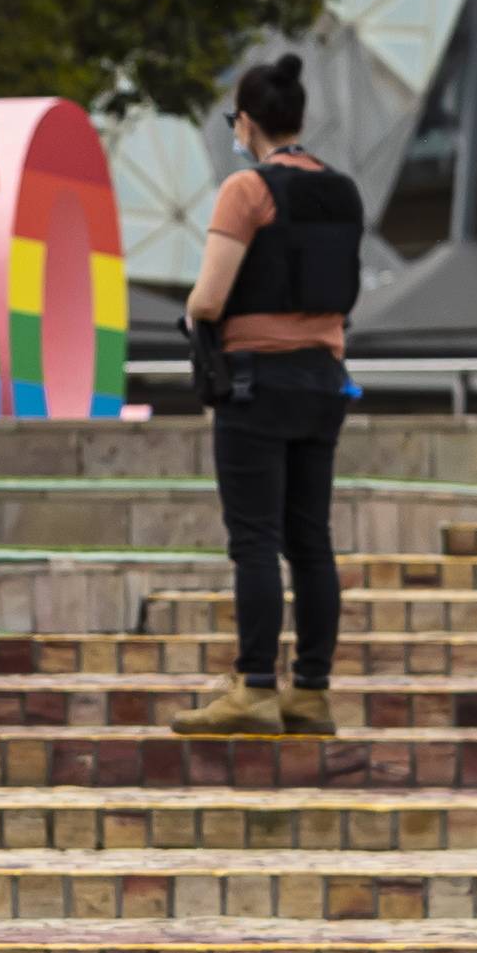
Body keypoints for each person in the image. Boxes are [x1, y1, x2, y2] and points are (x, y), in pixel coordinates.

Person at [173, 52, 363, 737]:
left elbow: (210, 296)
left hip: (258, 383)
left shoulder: (246, 191)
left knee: (254, 540)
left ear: (246, 122)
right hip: (323, 379)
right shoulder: (342, 190)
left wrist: (196, 314)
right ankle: (310, 691)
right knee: (311, 540)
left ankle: (254, 687)